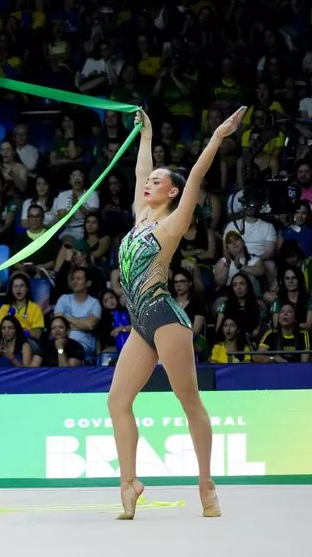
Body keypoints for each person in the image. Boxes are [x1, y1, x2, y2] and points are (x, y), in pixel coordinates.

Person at [109, 107, 244, 520]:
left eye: (157, 182)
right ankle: (129, 483)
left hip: (166, 318)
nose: (148, 183)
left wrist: (218, 137)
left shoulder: (172, 224)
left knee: (189, 400)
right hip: (140, 324)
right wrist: (145, 135)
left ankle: (207, 484)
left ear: (171, 193)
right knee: (117, 402)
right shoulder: (139, 219)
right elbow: (138, 173)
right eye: (148, 181)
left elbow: (197, 178)